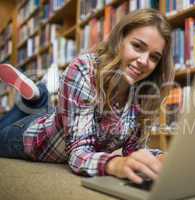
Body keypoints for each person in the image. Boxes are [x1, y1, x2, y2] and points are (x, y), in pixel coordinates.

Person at [0, 9, 174, 184]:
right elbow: (78, 154)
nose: (144, 61)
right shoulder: (84, 69)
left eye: (154, 57)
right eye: (137, 46)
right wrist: (115, 164)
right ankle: (39, 94)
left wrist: (160, 159)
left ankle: (39, 95)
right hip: (32, 139)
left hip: (59, 120)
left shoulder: (142, 92)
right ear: (119, 40)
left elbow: (134, 151)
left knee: (50, 111)